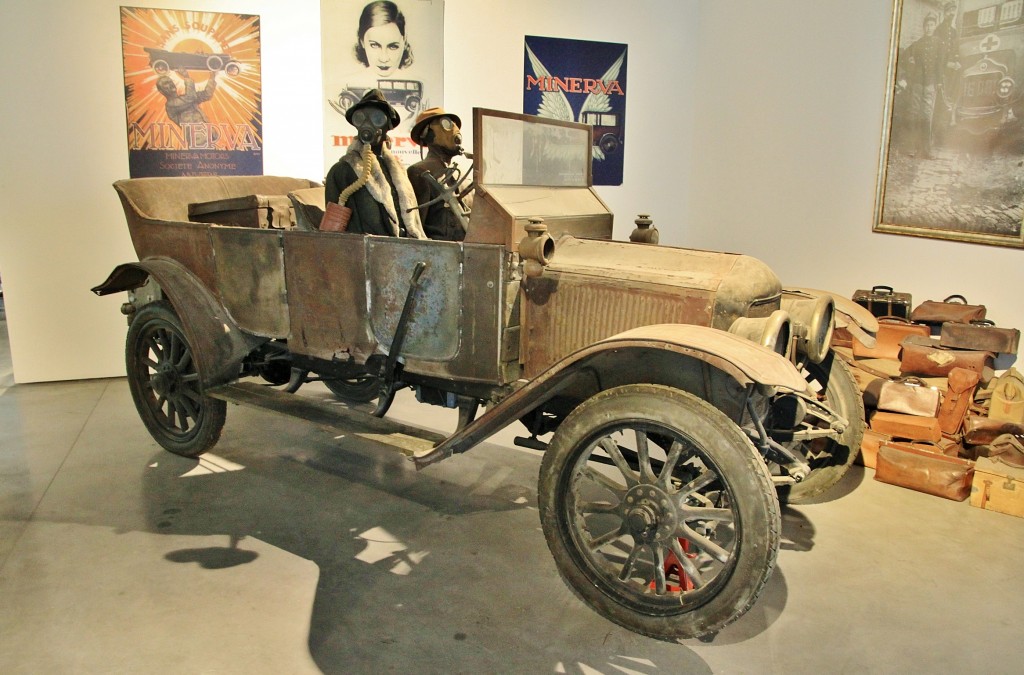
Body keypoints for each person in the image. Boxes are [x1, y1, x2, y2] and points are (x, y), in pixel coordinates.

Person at [324, 89, 425, 238]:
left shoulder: (399, 172)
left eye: (377, 118)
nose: (367, 124)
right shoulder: (342, 171)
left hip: (404, 250)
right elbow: (331, 235)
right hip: (366, 254)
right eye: (361, 118)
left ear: (388, 126)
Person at [407, 108, 468, 241]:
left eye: (455, 124)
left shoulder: (462, 175)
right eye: (446, 124)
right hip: (437, 256)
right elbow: (415, 229)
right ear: (427, 134)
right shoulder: (420, 172)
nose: (454, 130)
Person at [899, 13, 944, 159]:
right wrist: (911, 69)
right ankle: (911, 148)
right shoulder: (917, 44)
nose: (929, 27)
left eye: (931, 24)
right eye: (927, 25)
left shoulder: (938, 43)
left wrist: (939, 81)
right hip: (917, 83)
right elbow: (904, 57)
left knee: (926, 116)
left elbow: (940, 64)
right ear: (924, 27)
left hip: (930, 84)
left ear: (934, 26)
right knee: (913, 114)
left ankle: (927, 150)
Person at [353, 1, 413, 79]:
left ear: (404, 42)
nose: (383, 59)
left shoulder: (423, 86)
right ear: (362, 41)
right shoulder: (345, 84)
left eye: (393, 46)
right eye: (374, 45)